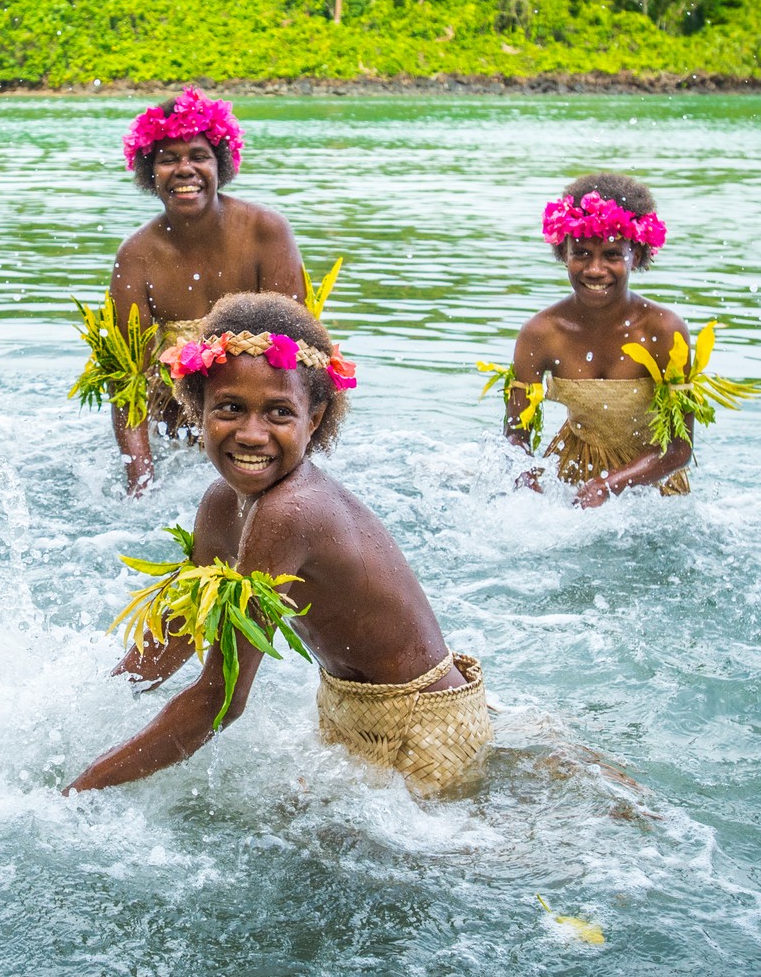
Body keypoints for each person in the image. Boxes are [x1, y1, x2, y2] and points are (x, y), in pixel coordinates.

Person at [66, 293, 492, 797]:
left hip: (429, 729)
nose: (251, 434)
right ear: (196, 408)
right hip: (352, 710)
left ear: (313, 420)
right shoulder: (221, 504)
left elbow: (221, 699)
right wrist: (87, 709)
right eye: (229, 408)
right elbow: (183, 631)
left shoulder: (290, 512)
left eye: (278, 413)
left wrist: (82, 789)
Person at [91, 88, 305, 495]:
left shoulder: (266, 233)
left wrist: (288, 474)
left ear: (220, 165)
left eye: (198, 156)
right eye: (168, 159)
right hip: (175, 434)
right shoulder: (136, 256)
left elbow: (297, 360)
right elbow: (127, 384)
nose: (184, 169)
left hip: (255, 429)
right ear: (149, 173)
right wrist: (141, 485)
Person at [494, 174, 738, 506]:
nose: (595, 270)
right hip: (570, 476)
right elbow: (515, 437)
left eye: (611, 255)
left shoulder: (664, 331)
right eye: (580, 253)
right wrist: (527, 483)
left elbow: (679, 449)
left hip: (651, 487)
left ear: (635, 256)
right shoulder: (540, 333)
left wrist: (610, 485)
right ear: (562, 252)